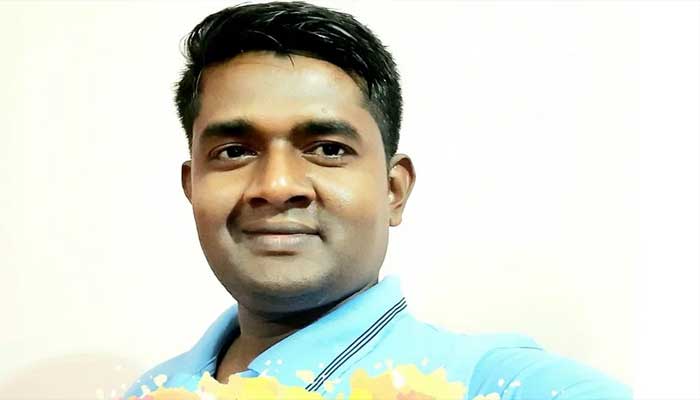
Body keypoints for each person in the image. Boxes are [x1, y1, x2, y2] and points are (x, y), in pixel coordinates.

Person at [124, 2, 631, 399]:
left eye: (328, 149)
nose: (276, 185)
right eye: (234, 152)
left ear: (394, 190)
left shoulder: (509, 388)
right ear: (192, 186)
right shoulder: (148, 393)